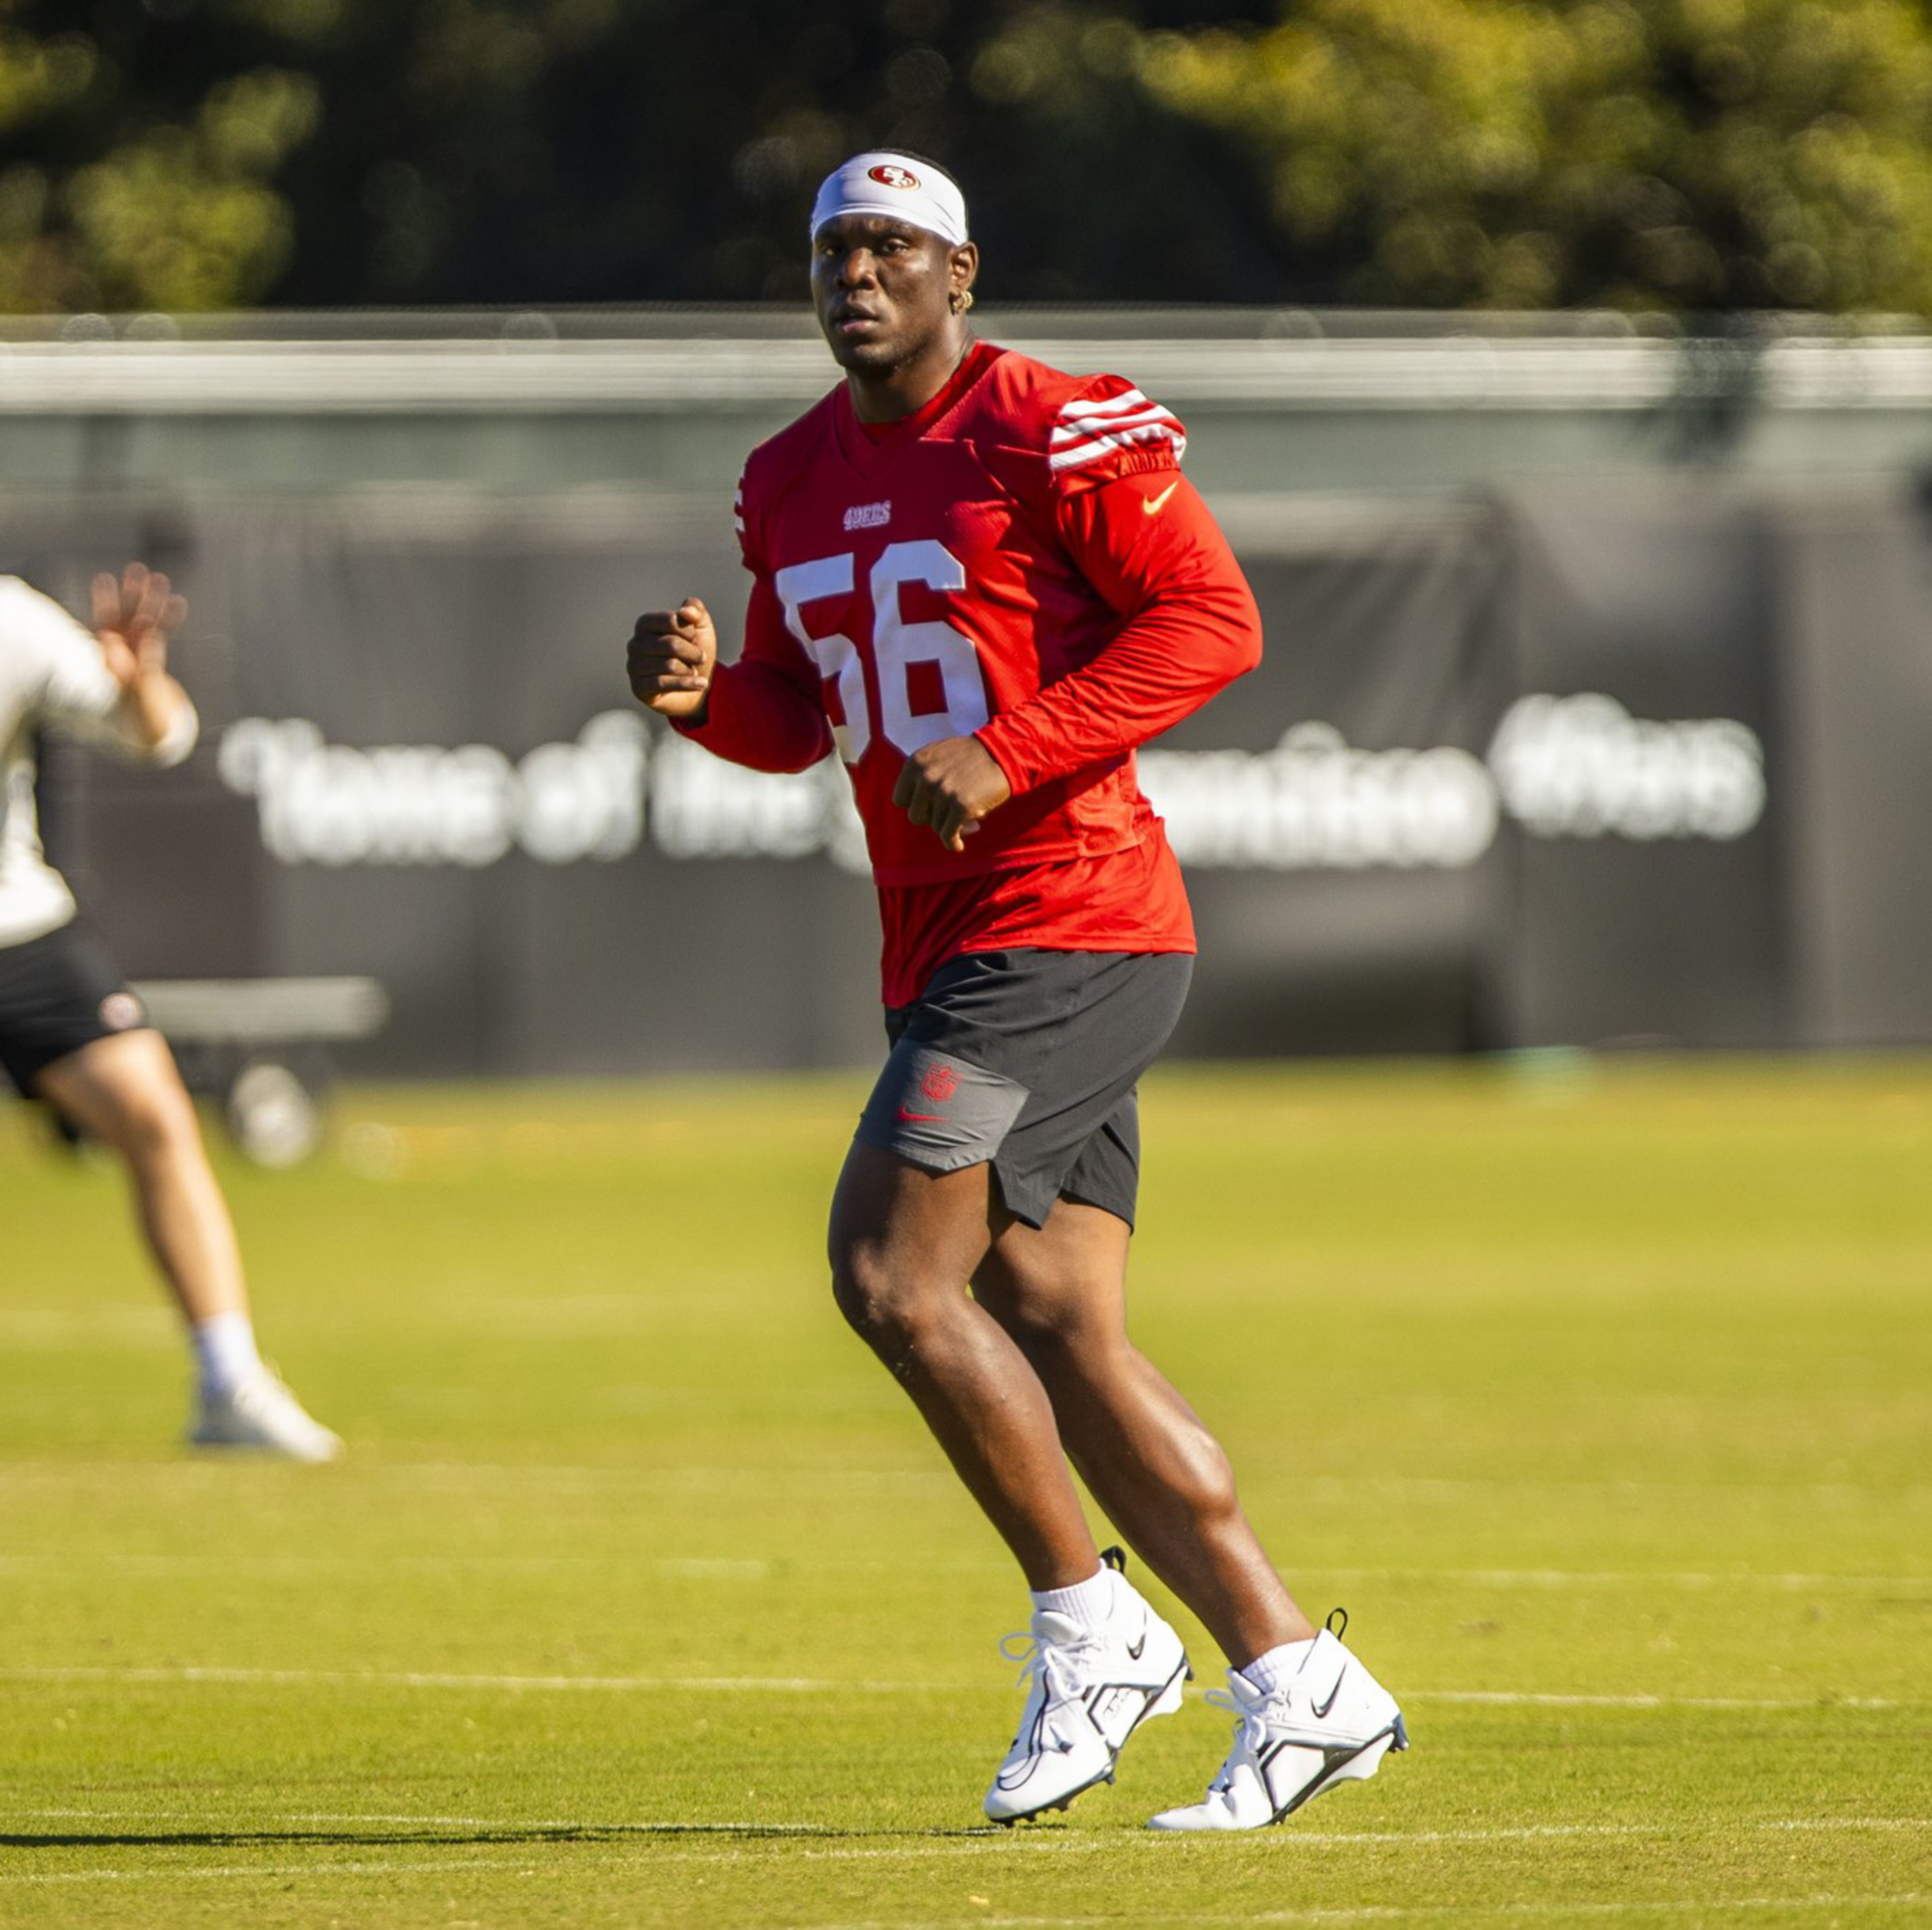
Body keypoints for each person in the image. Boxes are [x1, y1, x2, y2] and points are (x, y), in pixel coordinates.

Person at [626, 152, 1405, 1830]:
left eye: (894, 245)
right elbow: (797, 712)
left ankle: (1092, 1621)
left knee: (893, 1278)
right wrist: (699, 697)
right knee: (1057, 1322)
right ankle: (1300, 1676)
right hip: (950, 944)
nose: (859, 271)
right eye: (837, 244)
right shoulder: (787, 473)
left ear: (960, 272)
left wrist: (1016, 745)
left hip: (1068, 919)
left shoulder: (1053, 420)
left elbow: (1214, 618)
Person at [1, 562, 341, 1463]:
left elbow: (158, 738)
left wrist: (138, 677)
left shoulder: (11, 620)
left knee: (153, 1113)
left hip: (17, 928)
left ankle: (228, 1382)